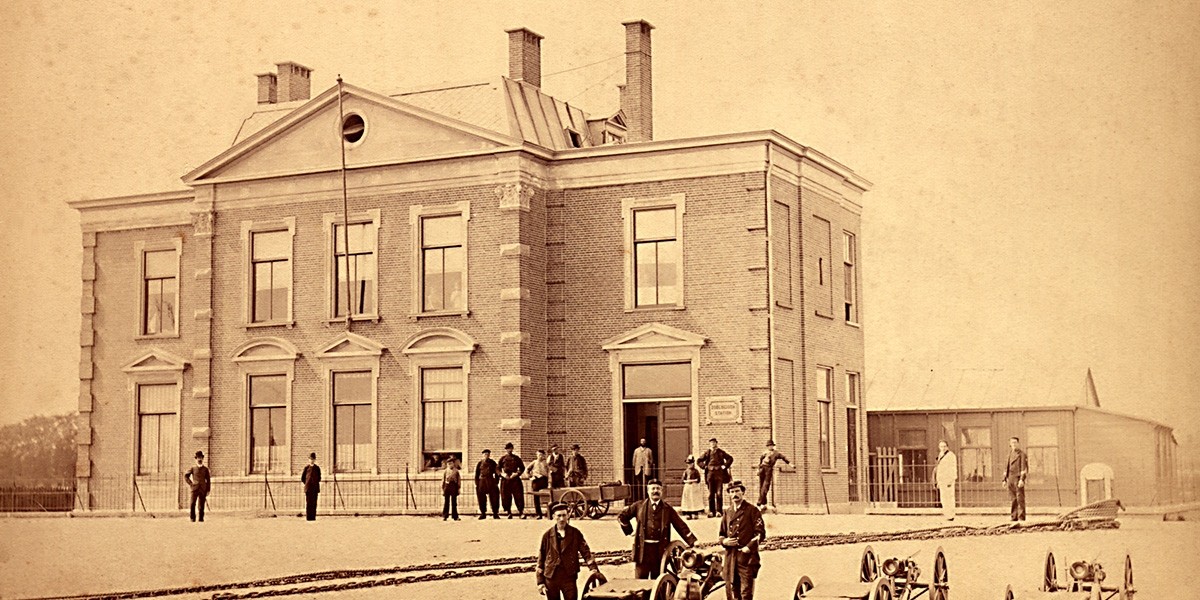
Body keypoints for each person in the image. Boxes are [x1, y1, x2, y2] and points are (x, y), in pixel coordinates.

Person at [617, 479, 697, 579]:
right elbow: (622, 517)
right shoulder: (638, 506)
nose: (655, 491)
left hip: (659, 552)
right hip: (643, 551)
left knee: (658, 582)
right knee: (640, 582)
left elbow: (680, 525)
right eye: (653, 489)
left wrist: (693, 541)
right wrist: (630, 531)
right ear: (648, 491)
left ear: (662, 491)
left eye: (658, 489)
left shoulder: (668, 509)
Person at [536, 502, 604, 600]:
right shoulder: (547, 536)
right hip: (551, 577)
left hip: (568, 577)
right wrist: (540, 582)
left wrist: (593, 569)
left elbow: (586, 553)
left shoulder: (575, 533)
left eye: (564, 515)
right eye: (559, 516)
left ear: (568, 515)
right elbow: (541, 559)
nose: (562, 519)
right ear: (554, 516)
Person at [719, 481, 765, 600]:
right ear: (729, 494)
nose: (735, 494)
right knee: (734, 589)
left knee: (746, 591)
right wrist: (725, 542)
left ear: (743, 492)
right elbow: (721, 534)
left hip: (746, 557)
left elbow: (760, 533)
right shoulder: (728, 512)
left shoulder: (752, 510)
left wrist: (748, 547)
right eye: (732, 492)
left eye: (737, 491)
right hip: (731, 556)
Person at [698, 438, 733, 517]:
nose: (713, 444)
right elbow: (699, 461)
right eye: (711, 443)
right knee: (711, 494)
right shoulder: (707, 452)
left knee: (719, 493)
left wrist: (725, 466)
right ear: (709, 444)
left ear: (716, 443)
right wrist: (705, 467)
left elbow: (730, 458)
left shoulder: (720, 452)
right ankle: (711, 511)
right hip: (710, 475)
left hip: (719, 475)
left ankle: (719, 511)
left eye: (714, 443)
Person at [755, 440, 790, 510]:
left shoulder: (776, 453)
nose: (770, 447)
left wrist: (790, 464)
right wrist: (758, 469)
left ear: (773, 446)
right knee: (761, 486)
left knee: (766, 486)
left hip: (768, 469)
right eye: (768, 446)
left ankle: (759, 503)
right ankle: (763, 503)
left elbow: (783, 457)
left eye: (771, 445)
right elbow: (760, 460)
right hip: (762, 469)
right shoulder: (765, 453)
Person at [498, 442, 527, 519]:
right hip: (506, 479)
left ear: (512, 449)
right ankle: (509, 512)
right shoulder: (503, 459)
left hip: (515, 479)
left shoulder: (516, 458)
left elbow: (522, 468)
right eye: (508, 449)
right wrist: (502, 474)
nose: (509, 450)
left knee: (518, 496)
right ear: (506, 450)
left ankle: (521, 512)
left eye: (510, 448)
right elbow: (497, 468)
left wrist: (517, 473)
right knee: (506, 496)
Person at [1002, 436, 1028, 522]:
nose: (1013, 444)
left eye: (1015, 442)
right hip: (1010, 479)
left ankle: (1021, 517)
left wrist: (1022, 479)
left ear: (1018, 443)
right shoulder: (1009, 455)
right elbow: (1006, 468)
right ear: (1010, 444)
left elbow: (1024, 468)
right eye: (1012, 442)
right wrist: (1004, 480)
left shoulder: (1022, 455)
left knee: (1020, 498)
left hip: (1017, 478)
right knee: (1013, 499)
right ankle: (1014, 517)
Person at [184, 450, 211, 523]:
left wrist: (208, 490)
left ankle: (201, 519)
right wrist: (191, 483)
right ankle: (192, 518)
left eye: (201, 458)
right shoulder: (193, 468)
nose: (199, 459)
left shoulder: (205, 469)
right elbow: (186, 476)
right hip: (194, 489)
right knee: (192, 503)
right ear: (196, 459)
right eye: (198, 458)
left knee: (201, 505)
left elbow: (208, 480)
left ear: (202, 458)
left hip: (203, 489)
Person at [933, 440, 958, 521]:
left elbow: (953, 468)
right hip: (941, 479)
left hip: (948, 479)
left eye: (944, 446)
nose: (943, 448)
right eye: (941, 446)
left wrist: (951, 480)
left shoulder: (951, 455)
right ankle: (947, 513)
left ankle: (951, 515)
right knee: (943, 497)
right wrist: (937, 480)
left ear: (947, 447)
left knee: (949, 497)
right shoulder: (940, 455)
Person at [475, 448, 501, 519]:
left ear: (489, 455)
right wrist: (477, 483)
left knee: (494, 498)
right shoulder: (480, 463)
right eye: (485, 454)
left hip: (490, 481)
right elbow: (477, 474)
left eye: (487, 454)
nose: (486, 455)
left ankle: (495, 513)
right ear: (482, 455)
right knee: (481, 498)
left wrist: (496, 481)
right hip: (482, 481)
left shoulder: (492, 462)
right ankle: (483, 513)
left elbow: (497, 471)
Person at [679, 455, 705, 519]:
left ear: (693, 463)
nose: (690, 465)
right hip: (688, 487)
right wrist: (687, 481)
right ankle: (688, 513)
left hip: (694, 487)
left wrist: (694, 481)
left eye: (691, 463)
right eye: (688, 464)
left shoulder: (696, 471)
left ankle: (695, 513)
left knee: (694, 500)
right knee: (688, 500)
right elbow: (682, 480)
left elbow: (698, 479)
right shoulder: (686, 471)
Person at [529, 449, 551, 519]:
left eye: (541, 455)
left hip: (544, 480)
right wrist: (530, 476)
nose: (540, 456)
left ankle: (548, 513)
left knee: (546, 497)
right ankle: (539, 514)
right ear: (537, 455)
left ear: (544, 455)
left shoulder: (545, 463)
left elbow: (549, 473)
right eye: (539, 455)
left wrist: (549, 482)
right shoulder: (534, 462)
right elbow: (527, 470)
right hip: (536, 481)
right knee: (536, 498)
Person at [300, 452, 321, 521]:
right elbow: (303, 478)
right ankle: (308, 517)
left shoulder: (317, 468)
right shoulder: (306, 468)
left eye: (313, 459)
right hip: (308, 488)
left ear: (315, 460)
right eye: (310, 459)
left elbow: (319, 478)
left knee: (314, 503)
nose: (311, 460)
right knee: (308, 503)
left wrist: (314, 483)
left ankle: (313, 517)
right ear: (308, 459)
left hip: (315, 488)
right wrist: (307, 484)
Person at [442, 456, 461, 521]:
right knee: (446, 502)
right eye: (448, 464)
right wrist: (443, 489)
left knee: (454, 502)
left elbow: (459, 480)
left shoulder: (456, 471)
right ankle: (445, 516)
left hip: (454, 486)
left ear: (453, 464)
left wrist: (458, 488)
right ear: (447, 464)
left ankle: (455, 516)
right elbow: (443, 480)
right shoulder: (445, 471)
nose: (450, 465)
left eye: (451, 463)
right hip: (447, 486)